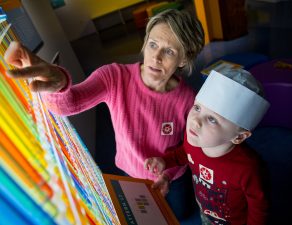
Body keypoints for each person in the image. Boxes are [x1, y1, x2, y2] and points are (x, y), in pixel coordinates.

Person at [4, 9, 204, 220]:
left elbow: (190, 146)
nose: (156, 57)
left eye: (170, 51)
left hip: (174, 177)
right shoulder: (114, 76)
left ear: (184, 59)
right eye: (153, 44)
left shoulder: (189, 100)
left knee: (181, 215)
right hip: (132, 175)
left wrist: (167, 171)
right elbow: (69, 104)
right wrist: (58, 85)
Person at [145, 68, 270, 225]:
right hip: (205, 211)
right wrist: (166, 161)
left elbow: (258, 206)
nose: (196, 121)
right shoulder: (194, 140)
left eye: (212, 119)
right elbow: (185, 153)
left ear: (239, 136)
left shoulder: (248, 168)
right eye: (197, 108)